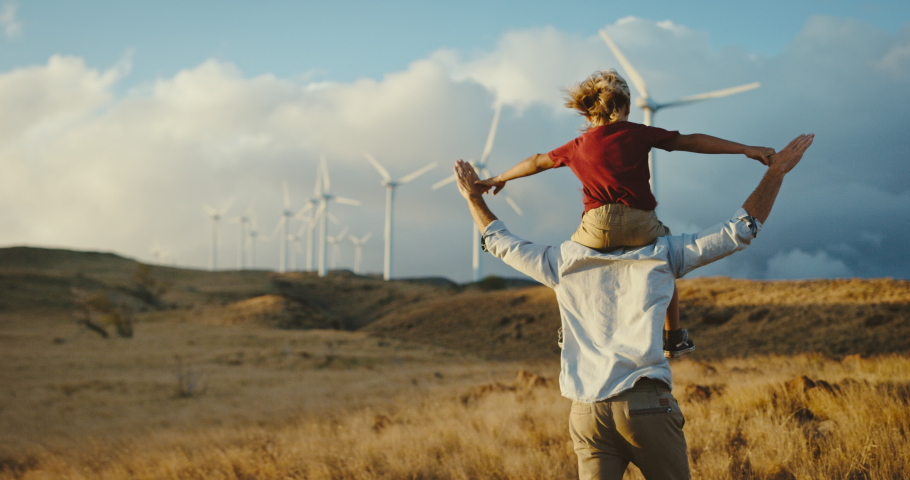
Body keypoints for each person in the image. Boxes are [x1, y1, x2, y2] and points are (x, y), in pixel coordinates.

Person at [454, 134, 814, 480]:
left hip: (587, 411)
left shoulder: (561, 261)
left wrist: (474, 198)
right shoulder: (663, 252)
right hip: (646, 405)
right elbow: (739, 231)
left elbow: (500, 242)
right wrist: (774, 173)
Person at [476, 69, 776, 358]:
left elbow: (537, 161)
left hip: (595, 229)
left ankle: (571, 329)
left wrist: (500, 177)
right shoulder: (637, 133)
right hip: (640, 223)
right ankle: (673, 337)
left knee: (567, 266)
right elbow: (692, 141)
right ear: (625, 107)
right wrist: (745, 149)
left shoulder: (576, 146)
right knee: (668, 257)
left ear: (588, 112)